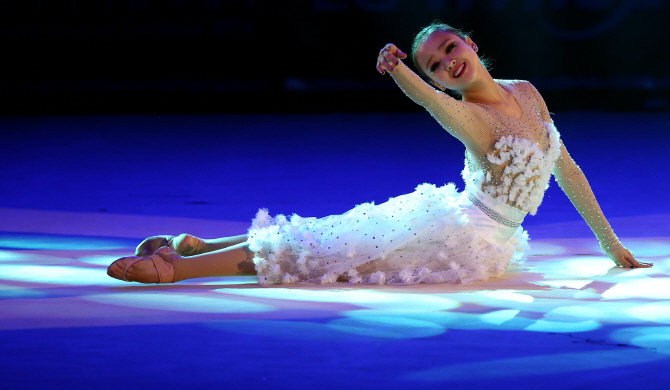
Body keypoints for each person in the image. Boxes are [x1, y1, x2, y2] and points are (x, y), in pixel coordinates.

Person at [107, 22, 652, 285]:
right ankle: (178, 269)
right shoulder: (474, 117)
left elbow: (568, 168)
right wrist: (402, 72)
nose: (446, 63)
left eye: (448, 49)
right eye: (436, 64)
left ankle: (196, 246)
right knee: (322, 254)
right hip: (452, 233)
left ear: (470, 43)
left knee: (326, 240)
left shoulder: (527, 92)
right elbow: (432, 101)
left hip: (485, 241)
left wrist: (612, 245)